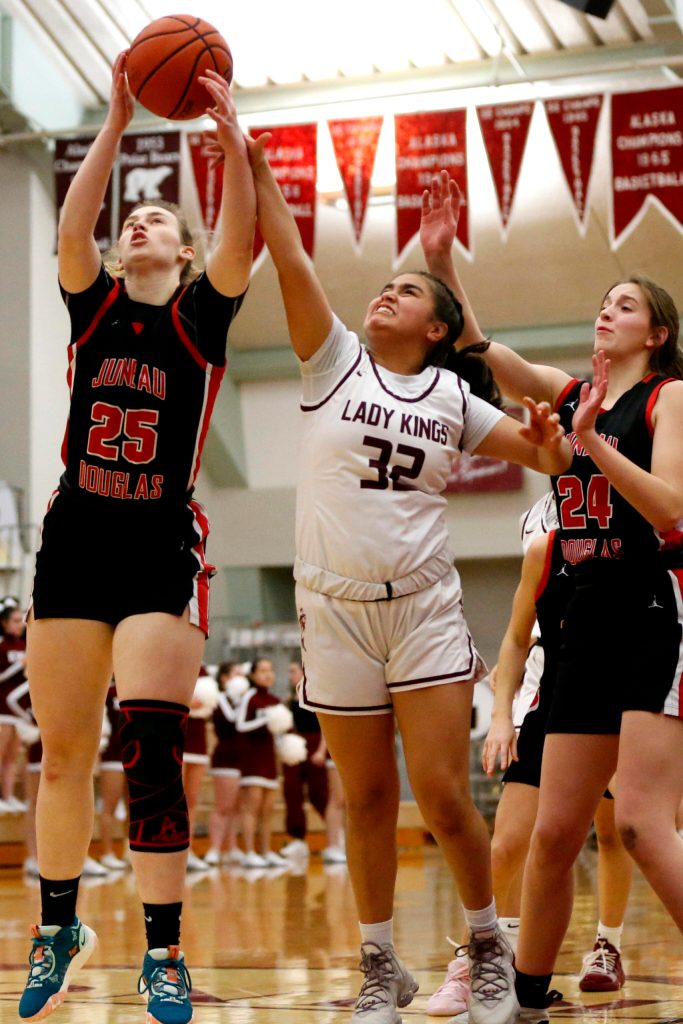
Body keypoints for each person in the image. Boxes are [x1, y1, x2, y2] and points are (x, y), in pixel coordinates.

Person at [243, 138, 572, 1024]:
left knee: (440, 794)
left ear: (437, 329)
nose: (384, 291)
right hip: (333, 611)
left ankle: (486, 949)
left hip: (421, 607)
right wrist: (257, 163)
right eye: (382, 286)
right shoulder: (330, 359)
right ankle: (380, 967)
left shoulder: (452, 399)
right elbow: (289, 249)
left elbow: (554, 452)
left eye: (409, 290)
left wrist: (543, 430)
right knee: (367, 799)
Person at [18, 52, 255, 1024]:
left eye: (160, 216)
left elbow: (241, 229)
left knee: (150, 745)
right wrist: (114, 121)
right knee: (64, 753)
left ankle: (162, 950)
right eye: (133, 220)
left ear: (185, 251)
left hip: (160, 535)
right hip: (76, 531)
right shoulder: (94, 303)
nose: (140, 219)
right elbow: (73, 223)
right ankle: (59, 925)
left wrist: (230, 133)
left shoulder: (203, 314)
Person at [423, 170, 683, 1023]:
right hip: (584, 628)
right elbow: (482, 347)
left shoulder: (667, 397)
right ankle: (525, 1002)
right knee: (550, 836)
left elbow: (671, 506)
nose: (605, 313)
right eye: (602, 304)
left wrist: (590, 450)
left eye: (623, 305)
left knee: (641, 827)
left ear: (658, 330)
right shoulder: (572, 393)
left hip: (654, 609)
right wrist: (440, 261)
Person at [236, 657, 290, 869]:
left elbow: (279, 730)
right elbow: (240, 725)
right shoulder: (250, 696)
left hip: (269, 759)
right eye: (262, 671)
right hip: (252, 758)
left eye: (270, 670)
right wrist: (264, 719)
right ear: (253, 675)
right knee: (252, 807)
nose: (267, 674)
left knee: (268, 809)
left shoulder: (275, 700)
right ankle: (249, 851)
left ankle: (266, 851)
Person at [279, 659, 333, 861]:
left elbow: (326, 726)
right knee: (291, 792)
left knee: (319, 794)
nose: (290, 675)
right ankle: (297, 840)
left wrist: (321, 750)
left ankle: (338, 837)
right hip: (295, 747)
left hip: (315, 746)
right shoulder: (289, 699)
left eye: (293, 671)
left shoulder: (316, 696)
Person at [204, 661, 248, 866]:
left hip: (243, 756)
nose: (241, 679)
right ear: (224, 678)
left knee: (237, 807)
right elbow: (232, 721)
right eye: (235, 674)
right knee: (223, 805)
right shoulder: (219, 698)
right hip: (225, 757)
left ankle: (232, 847)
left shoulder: (245, 699)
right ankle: (214, 848)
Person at [183, 667, 219, 872]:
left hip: (199, 740)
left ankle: (188, 849)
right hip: (177, 735)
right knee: (174, 797)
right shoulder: (173, 663)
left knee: (192, 798)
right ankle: (170, 849)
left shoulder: (204, 670)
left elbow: (210, 702)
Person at [0, 599, 28, 813]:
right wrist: (20, 664)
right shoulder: (2, 645)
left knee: (11, 757)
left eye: (21, 621)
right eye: (16, 621)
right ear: (5, 623)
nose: (20, 625)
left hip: (19, 711)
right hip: (2, 709)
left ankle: (8, 797)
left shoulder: (25, 645)